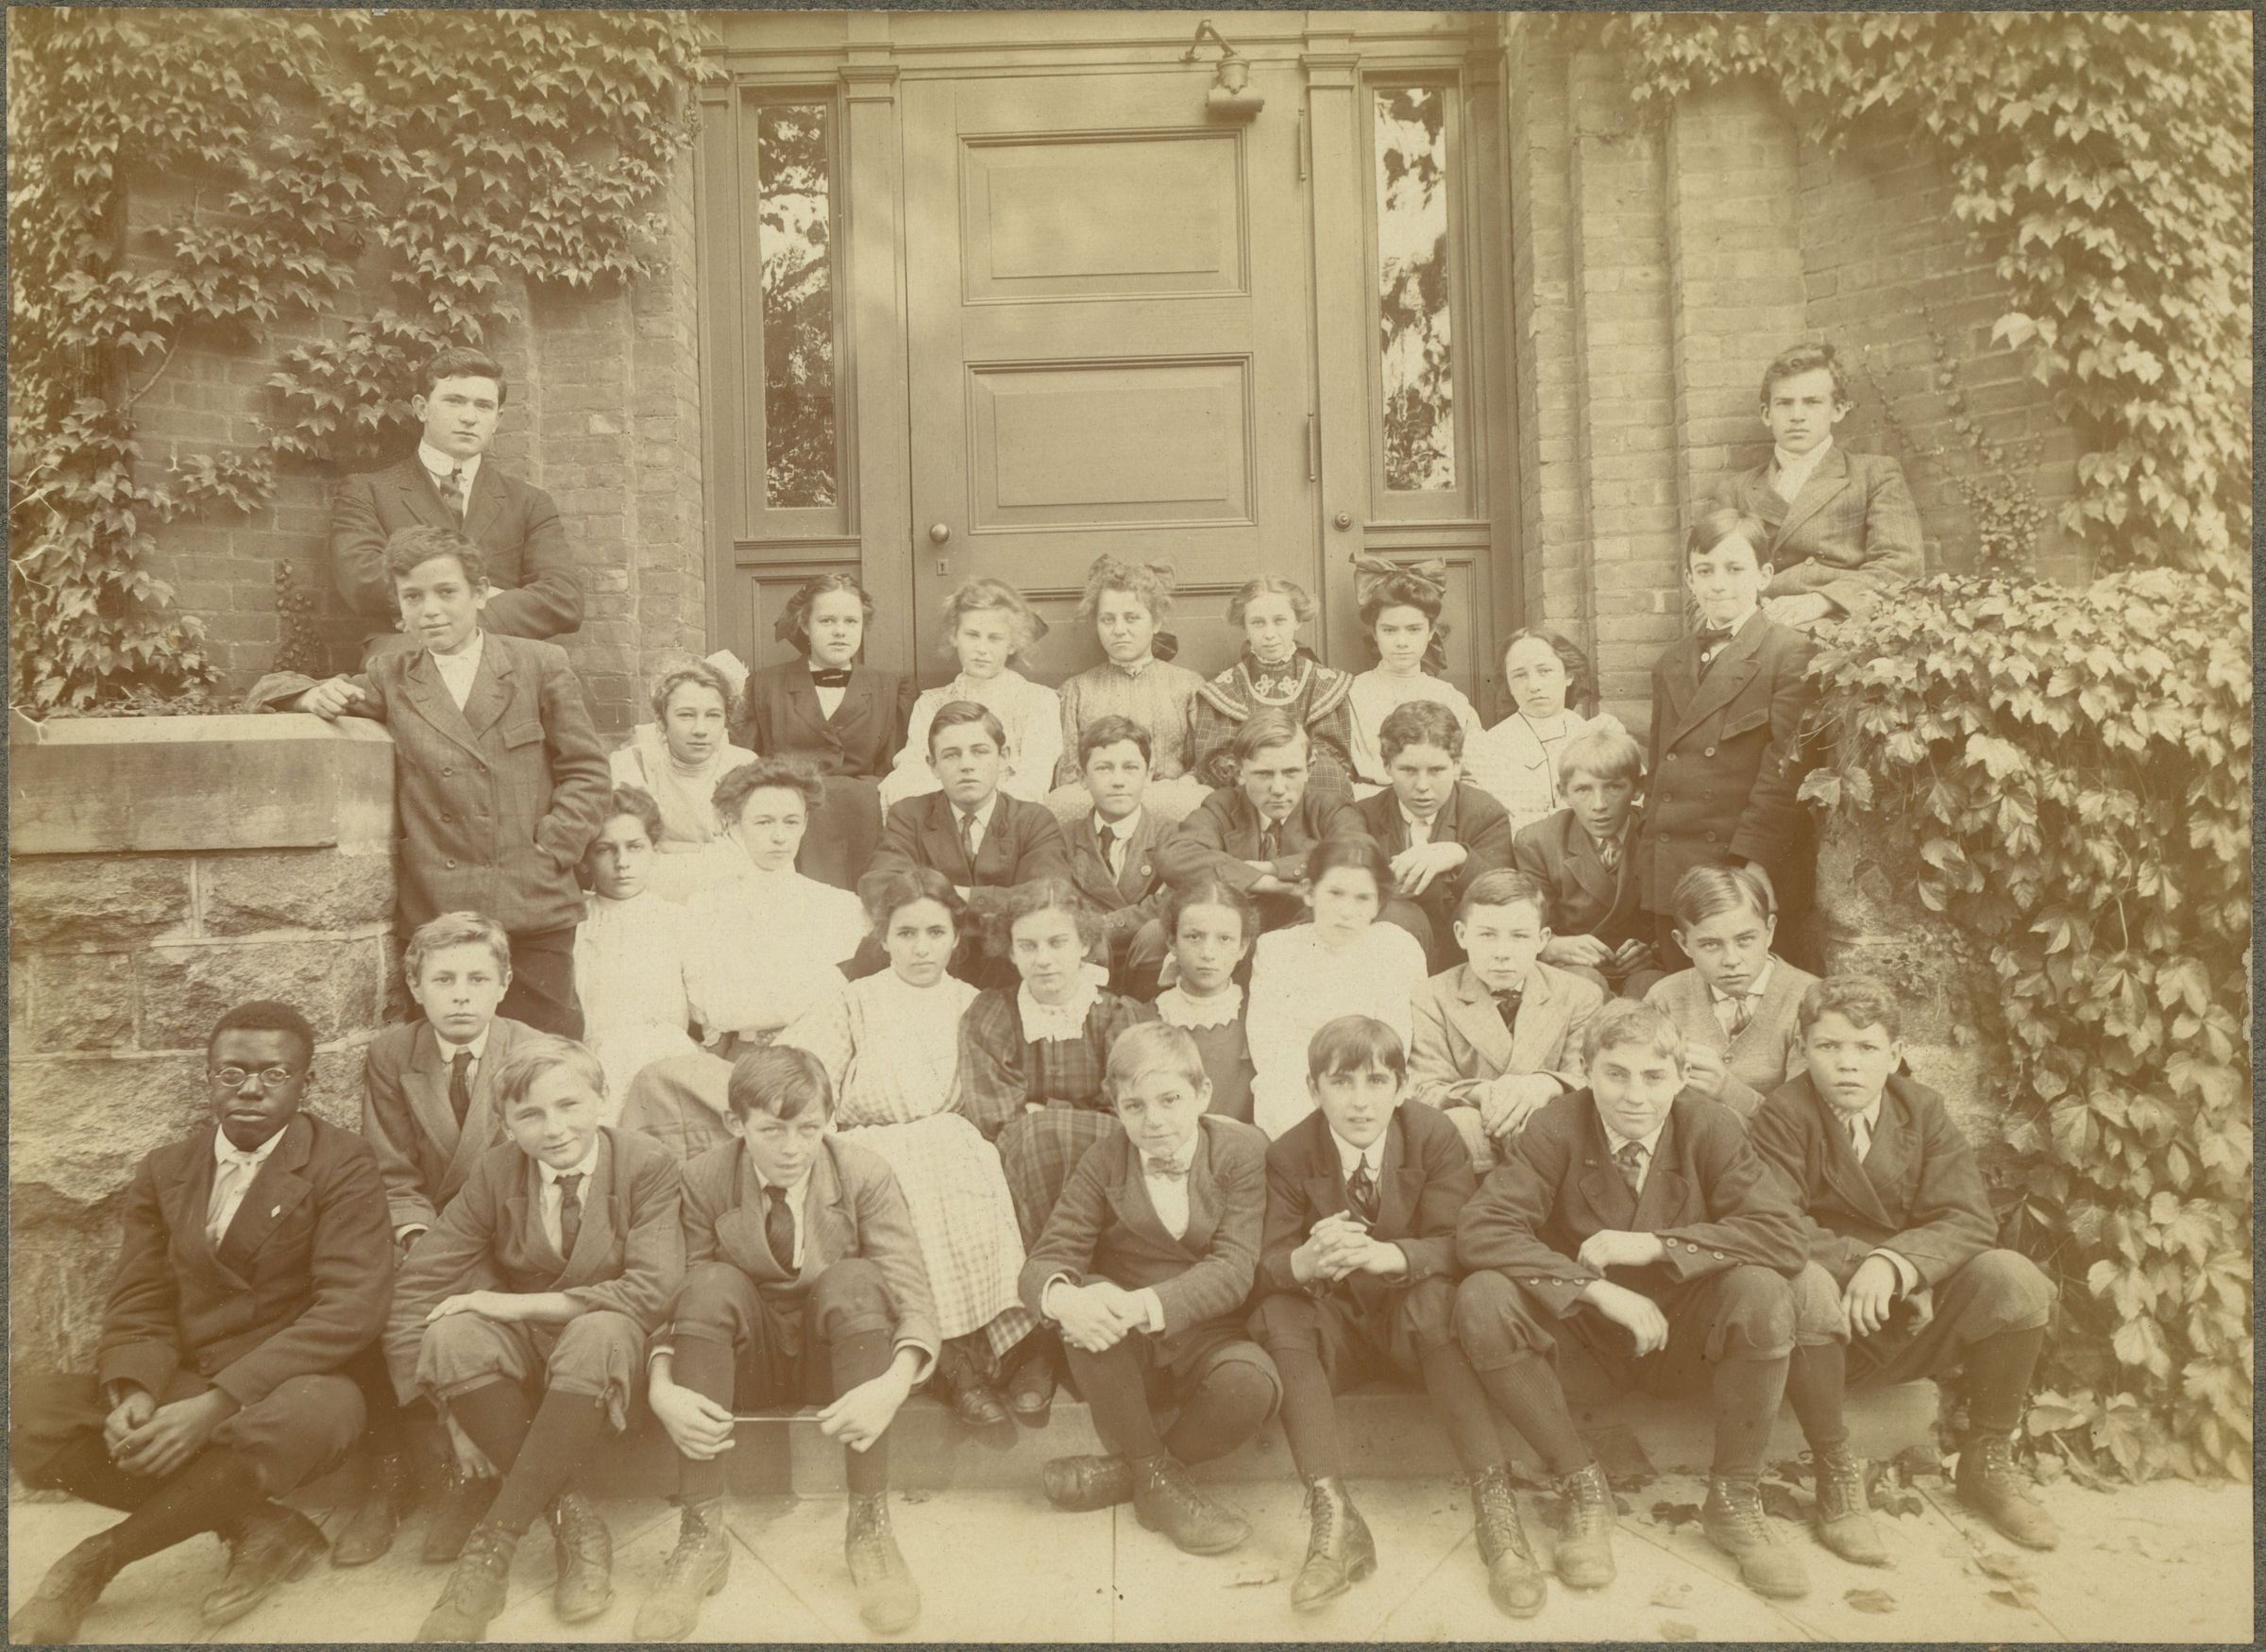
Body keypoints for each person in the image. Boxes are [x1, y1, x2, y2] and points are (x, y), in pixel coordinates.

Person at [10, 1003, 393, 1644]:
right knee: (27, 1411)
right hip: (182, 1376)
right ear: (209, 1077)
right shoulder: (166, 1168)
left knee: (317, 1412)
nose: (251, 1089)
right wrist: (133, 1390)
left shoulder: (342, 1162)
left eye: (274, 1074)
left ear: (306, 1083)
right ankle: (256, 1524)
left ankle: (95, 1561)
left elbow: (350, 1307)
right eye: (232, 1072)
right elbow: (141, 1296)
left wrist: (216, 1404)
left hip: (287, 1383)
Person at [1452, 1001, 1814, 1604]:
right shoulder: (1556, 1125)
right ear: (1586, 1072)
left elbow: (1782, 1235)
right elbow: (1481, 1229)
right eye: (1616, 1074)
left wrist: (1657, 1245)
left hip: (1687, 1342)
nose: (1635, 1096)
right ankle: (1581, 1484)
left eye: (1653, 1076)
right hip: (1586, 1342)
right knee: (1482, 1296)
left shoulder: (1711, 1125)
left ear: (1681, 1077)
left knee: (1764, 1290)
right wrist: (1594, 1288)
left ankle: (1734, 1498)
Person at [259, 523, 610, 1037]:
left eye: (446, 592)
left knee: (544, 1053)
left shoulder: (538, 664)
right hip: (441, 909)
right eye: (413, 597)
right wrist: (307, 696)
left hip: (533, 901)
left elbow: (587, 770)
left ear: (481, 593)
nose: (430, 610)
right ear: (398, 609)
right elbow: (273, 688)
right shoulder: (392, 675)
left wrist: (553, 847)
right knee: (449, 1054)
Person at [387, 1036, 685, 1642]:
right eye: (530, 1114)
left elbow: (652, 1290)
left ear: (601, 1098)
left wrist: (512, 1303)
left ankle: (492, 1548)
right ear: (505, 1123)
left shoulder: (646, 1164)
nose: (554, 1129)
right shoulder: (497, 1171)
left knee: (596, 1331)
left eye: (569, 1105)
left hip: (611, 1348)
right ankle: (575, 1523)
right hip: (531, 1354)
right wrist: (449, 1411)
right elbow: (419, 1283)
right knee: (452, 1333)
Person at [634, 1046, 936, 1638]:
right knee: (709, 1283)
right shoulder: (704, 1178)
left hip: (837, 1367)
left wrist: (894, 1385)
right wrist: (661, 1385)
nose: (793, 1148)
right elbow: (675, 1295)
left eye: (808, 1128)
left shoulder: (864, 1173)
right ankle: (701, 1533)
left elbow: (911, 1293)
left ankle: (869, 1525)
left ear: (829, 1121)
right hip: (747, 1364)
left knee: (857, 1280)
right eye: (772, 1130)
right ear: (736, 1123)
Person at [1753, 978, 2060, 1560]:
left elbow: (1967, 1217)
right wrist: (1861, 1264)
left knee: (2013, 1279)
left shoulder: (1922, 1109)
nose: (1847, 1064)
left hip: (1909, 1318)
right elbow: (1775, 1225)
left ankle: (1986, 1459)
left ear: (1895, 1055)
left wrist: (1899, 1265)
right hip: (1823, 1331)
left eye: (1866, 1048)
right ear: (1803, 1049)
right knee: (1800, 1281)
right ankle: (1835, 1470)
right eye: (1828, 1046)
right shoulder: (1783, 1115)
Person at [1248, 1017, 1539, 1618]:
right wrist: (1304, 1260)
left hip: (1415, 1332)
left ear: (1402, 1086)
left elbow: (1462, 1242)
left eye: (1377, 1081)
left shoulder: (1431, 1134)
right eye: (1341, 1082)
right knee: (1280, 1311)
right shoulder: (1289, 1152)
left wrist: (1393, 1255)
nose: (1360, 1101)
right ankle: (1332, 1515)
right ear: (1313, 1089)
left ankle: (1495, 1508)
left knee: (1436, 1299)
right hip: (1339, 1333)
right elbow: (1267, 1262)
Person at [778, 869, 1037, 1436]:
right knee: (907, 1171)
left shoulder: (975, 1004)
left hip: (950, 1135)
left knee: (959, 1161)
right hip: (870, 1138)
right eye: (906, 933)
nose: (922, 948)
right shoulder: (857, 1000)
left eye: (935, 933)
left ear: (956, 938)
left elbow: (994, 1090)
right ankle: (954, 1366)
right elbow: (808, 1072)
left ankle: (985, 1349)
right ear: (883, 937)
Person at [1019, 1022, 1278, 1559]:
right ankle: (1157, 1480)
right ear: (1115, 1106)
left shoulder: (1241, 1151)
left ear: (1203, 1094)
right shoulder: (1104, 1160)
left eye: (1170, 1100)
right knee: (1087, 1296)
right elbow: (1046, 1260)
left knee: (1253, 1384)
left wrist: (1142, 1306)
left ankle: (1138, 1473)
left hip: (1207, 1336)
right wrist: (1067, 1300)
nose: (1153, 1120)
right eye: (1134, 1106)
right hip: (1126, 1358)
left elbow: (1234, 1268)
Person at [351, 912, 543, 1565]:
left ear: (504, 984)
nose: (461, 995)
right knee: (380, 1291)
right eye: (443, 980)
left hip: (507, 1226)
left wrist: (463, 1243)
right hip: (426, 1227)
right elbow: (391, 1166)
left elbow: (538, 1161)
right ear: (415, 986)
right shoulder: (393, 1054)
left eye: (477, 979)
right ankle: (425, 1458)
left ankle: (474, 1469)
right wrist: (415, 1230)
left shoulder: (530, 1050)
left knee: (470, 1299)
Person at [617, 759, 863, 1160]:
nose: (779, 836)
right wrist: (793, 995)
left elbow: (836, 1008)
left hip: (815, 1061)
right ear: (733, 824)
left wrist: (763, 1001)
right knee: (657, 1083)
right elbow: (712, 1006)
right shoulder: (706, 906)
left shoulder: (840, 908)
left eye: (791, 822)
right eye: (763, 822)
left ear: (805, 823)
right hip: (734, 1061)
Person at [1639, 506, 1817, 973]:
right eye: (1705, 570)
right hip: (1674, 872)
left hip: (1741, 872)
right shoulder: (1671, 662)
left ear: (1764, 575)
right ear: (1689, 580)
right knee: (1683, 1001)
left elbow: (1786, 774)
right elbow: (1659, 774)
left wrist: (1756, 866)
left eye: (1735, 569)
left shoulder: (1789, 653)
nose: (1719, 584)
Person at [330, 345, 583, 661]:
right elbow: (361, 581)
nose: (469, 417)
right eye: (454, 401)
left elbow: (563, 597)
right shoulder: (368, 491)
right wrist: (482, 598)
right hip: (406, 653)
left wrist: (463, 619)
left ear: (497, 419)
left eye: (483, 406)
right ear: (422, 408)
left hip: (501, 655)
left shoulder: (529, 502)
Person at [1707, 341, 1925, 632]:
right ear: (1766, 413)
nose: (1797, 415)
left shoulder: (1873, 474)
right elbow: (1707, 578)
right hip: (1758, 627)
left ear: (1838, 409)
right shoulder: (1736, 491)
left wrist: (1821, 601)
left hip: (1842, 625)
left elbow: (1901, 566)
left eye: (1812, 402)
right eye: (1785, 403)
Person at [864, 700, 1073, 984]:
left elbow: (1047, 897)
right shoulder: (909, 815)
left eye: (979, 751)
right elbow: (880, 886)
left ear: (1003, 758)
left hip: (1009, 966)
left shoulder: (1034, 819)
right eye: (951, 755)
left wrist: (954, 899)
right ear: (933, 766)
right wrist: (985, 904)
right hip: (932, 964)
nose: (966, 765)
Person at [1409, 869, 1602, 1172]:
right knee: (1461, 1122)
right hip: (1470, 1150)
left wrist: (1545, 1084)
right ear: (1462, 935)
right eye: (1487, 935)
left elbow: (1587, 1079)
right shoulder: (1431, 996)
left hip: (1549, 1149)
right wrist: (1481, 1093)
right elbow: (1425, 1087)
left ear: (1542, 939)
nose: (1502, 953)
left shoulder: (1579, 995)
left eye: (1519, 936)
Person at [1243, 837, 1430, 1138]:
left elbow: (1398, 1042)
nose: (1346, 911)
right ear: (1309, 892)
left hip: (1376, 1079)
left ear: (1379, 903)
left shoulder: (1396, 947)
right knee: (1281, 1099)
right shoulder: (1277, 949)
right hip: (1297, 1085)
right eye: (1335, 894)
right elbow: (1270, 1047)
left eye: (1362, 898)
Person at [739, 573, 915, 891]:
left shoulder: (889, 688)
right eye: (827, 621)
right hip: (792, 826)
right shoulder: (765, 685)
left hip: (865, 825)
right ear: (805, 625)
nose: (840, 631)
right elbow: (746, 765)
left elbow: (893, 769)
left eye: (851, 621)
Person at [1158, 712, 1365, 936]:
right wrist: (1266, 882)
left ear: (1310, 768)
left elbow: (1358, 854)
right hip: (1232, 931)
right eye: (1264, 774)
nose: (1278, 789)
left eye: (1291, 772)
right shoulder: (1222, 805)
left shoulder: (1329, 808)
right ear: (1239, 772)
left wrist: (1272, 868)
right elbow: (1175, 855)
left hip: (1302, 932)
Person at [1047, 553, 1210, 824]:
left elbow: (1202, 765)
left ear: (1156, 623)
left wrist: (1181, 785)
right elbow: (1069, 772)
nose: (1119, 630)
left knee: (1198, 803)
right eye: (1108, 620)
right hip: (1097, 801)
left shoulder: (1187, 685)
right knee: (1061, 803)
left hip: (1168, 802)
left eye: (1132, 618)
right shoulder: (1077, 690)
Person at [1644, 866, 1818, 1119]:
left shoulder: (1811, 1001)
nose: (1732, 960)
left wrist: (1728, 1091)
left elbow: (1803, 1123)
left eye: (1745, 940)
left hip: (1774, 1142)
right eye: (1711, 944)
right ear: (1683, 943)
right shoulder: (1665, 998)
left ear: (1769, 931)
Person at [1355, 699, 1513, 968]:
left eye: (1437, 770)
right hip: (1393, 963)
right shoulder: (1364, 815)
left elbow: (1504, 899)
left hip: (1463, 962)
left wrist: (1460, 856)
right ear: (1387, 766)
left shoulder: (1485, 813)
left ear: (1457, 765)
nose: (1422, 786)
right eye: (1408, 770)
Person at [1512, 722, 1663, 1000]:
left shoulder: (1656, 835)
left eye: (1614, 787)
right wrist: (1553, 946)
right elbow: (1530, 922)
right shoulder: (1538, 842)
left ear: (1638, 788)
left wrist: (1653, 949)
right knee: (1584, 988)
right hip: (1573, 967)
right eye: (1583, 790)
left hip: (1642, 967)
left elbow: (1677, 917)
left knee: (1653, 989)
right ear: (1563, 792)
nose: (1599, 804)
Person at [882, 577, 1062, 809]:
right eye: (972, 635)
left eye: (994, 638)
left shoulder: (1039, 701)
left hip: (1008, 815)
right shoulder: (931, 703)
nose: (982, 649)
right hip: (940, 815)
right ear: (954, 636)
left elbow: (1034, 779)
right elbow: (914, 768)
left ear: (1012, 644)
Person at [572, 787, 702, 1106]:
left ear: (654, 851)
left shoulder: (678, 920)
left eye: (635, 847)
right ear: (585, 859)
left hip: (668, 1064)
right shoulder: (574, 926)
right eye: (605, 850)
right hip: (594, 1067)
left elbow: (706, 1014)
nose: (622, 863)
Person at [1189, 576, 1356, 803]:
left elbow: (1332, 753)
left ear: (1297, 621)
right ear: (1245, 627)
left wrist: (1290, 767)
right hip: (1251, 787)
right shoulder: (1227, 688)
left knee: (1327, 771)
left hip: (1309, 783)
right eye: (1258, 623)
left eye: (1279, 621)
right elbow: (1217, 761)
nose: (1269, 634)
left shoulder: (1322, 683)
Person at [607, 662, 757, 901]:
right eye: (686, 715)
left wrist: (671, 852)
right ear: (661, 720)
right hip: (649, 898)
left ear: (726, 720)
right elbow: (629, 854)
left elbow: (753, 857)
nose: (700, 729)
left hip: (726, 898)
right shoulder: (634, 764)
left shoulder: (744, 766)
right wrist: (710, 853)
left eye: (713, 715)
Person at [1462, 629, 1626, 834]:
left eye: (1545, 671)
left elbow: (1627, 810)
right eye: (1519, 675)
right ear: (1508, 685)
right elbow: (1490, 827)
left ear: (1569, 675)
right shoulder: (1488, 748)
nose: (1534, 686)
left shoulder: (1598, 734)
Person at [1344, 560, 1481, 793]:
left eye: (1414, 629)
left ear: (1430, 632)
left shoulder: (1451, 698)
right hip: (1369, 806)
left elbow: (1474, 775)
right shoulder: (1352, 694)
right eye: (1389, 630)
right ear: (1375, 633)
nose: (1401, 642)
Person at [1064, 715, 1175, 998]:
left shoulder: (1171, 836)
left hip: (1147, 970)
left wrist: (1105, 925)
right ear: (1082, 777)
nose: (1118, 781)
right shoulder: (1063, 839)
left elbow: (1167, 904)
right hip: (1085, 962)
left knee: (1156, 932)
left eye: (1130, 768)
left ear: (1149, 775)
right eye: (1104, 768)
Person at [1152, 878, 1260, 1127]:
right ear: (1172, 942)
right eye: (1194, 937)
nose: (1208, 953)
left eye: (1225, 939)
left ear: (1243, 947)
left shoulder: (1257, 1016)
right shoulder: (1148, 1016)